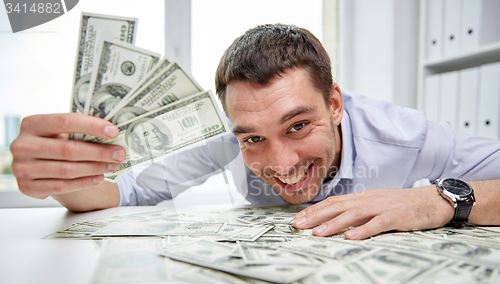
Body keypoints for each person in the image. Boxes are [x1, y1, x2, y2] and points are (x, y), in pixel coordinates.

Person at [10, 24, 500, 240]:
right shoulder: (229, 131)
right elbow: (128, 192)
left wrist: (435, 201)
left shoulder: (406, 137)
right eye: (253, 139)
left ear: (334, 105)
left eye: (299, 125)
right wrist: (68, 175)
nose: (282, 165)